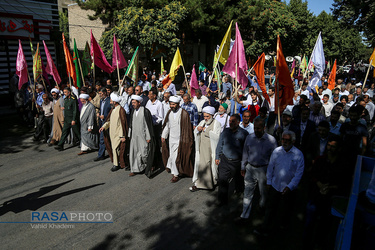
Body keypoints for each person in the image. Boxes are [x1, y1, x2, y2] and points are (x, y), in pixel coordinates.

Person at [255, 131, 304, 236]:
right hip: (274, 185)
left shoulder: (298, 155)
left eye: (287, 140)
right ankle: (265, 228)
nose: (285, 142)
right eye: (283, 140)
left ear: (293, 141)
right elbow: (270, 167)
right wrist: (269, 181)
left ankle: (279, 230)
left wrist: (290, 187)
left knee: (284, 210)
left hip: (288, 189)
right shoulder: (277, 151)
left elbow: (299, 174)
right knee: (270, 208)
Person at [238, 117, 277, 221]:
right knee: (247, 192)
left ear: (264, 128)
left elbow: (274, 158)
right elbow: (245, 152)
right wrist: (243, 166)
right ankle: (244, 215)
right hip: (250, 168)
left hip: (263, 170)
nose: (256, 130)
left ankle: (262, 208)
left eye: (258, 128)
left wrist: (272, 173)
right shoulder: (249, 138)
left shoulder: (271, 140)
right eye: (255, 128)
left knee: (263, 193)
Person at [215, 114, 249, 205]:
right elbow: (220, 144)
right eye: (230, 121)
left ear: (238, 122)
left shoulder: (244, 134)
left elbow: (246, 149)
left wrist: (244, 163)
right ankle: (222, 200)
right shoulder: (225, 132)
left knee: (238, 180)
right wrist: (217, 156)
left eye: (233, 121)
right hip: (225, 160)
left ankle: (239, 194)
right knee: (222, 180)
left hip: (237, 162)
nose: (231, 123)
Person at [162, 96, 194, 183]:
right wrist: (164, 135)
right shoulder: (170, 113)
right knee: (172, 156)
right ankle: (173, 169)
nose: (171, 106)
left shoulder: (184, 113)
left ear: (178, 104)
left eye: (173, 104)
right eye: (170, 104)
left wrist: (186, 140)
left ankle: (175, 175)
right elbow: (167, 125)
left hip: (181, 139)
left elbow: (187, 128)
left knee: (175, 157)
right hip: (171, 139)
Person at [190, 106, 221, 191]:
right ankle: (200, 184)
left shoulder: (216, 123)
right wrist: (197, 129)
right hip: (201, 148)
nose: (206, 118)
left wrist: (206, 131)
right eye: (204, 116)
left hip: (211, 149)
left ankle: (210, 184)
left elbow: (217, 137)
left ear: (212, 115)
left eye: (208, 116)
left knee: (208, 165)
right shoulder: (202, 122)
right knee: (201, 165)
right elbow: (196, 132)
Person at [99, 93, 128, 171]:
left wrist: (122, 136)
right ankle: (120, 162)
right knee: (116, 149)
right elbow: (109, 121)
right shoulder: (112, 110)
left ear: (115, 101)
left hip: (119, 134)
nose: (110, 101)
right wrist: (103, 127)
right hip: (112, 133)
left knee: (115, 149)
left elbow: (123, 124)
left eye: (111, 100)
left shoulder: (121, 110)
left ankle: (116, 164)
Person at [128, 95, 155, 177]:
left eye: (134, 103)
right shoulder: (133, 111)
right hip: (134, 136)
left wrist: (148, 137)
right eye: (132, 103)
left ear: (139, 103)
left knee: (144, 153)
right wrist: (129, 134)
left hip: (143, 136)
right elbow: (131, 124)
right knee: (134, 153)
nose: (133, 104)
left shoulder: (145, 111)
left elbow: (148, 125)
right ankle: (136, 169)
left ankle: (149, 166)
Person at [145, 87, 164, 171]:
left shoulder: (159, 104)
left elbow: (160, 117)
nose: (148, 96)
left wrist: (154, 123)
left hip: (155, 127)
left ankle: (157, 163)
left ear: (155, 95)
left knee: (155, 145)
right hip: (148, 126)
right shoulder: (148, 102)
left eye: (150, 94)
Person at [94, 88, 112, 161]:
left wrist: (105, 116)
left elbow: (111, 111)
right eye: (99, 94)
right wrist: (99, 114)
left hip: (108, 122)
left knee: (107, 139)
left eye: (101, 94)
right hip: (102, 122)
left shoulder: (109, 101)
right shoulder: (101, 101)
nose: (100, 95)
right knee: (102, 139)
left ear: (105, 93)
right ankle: (101, 154)